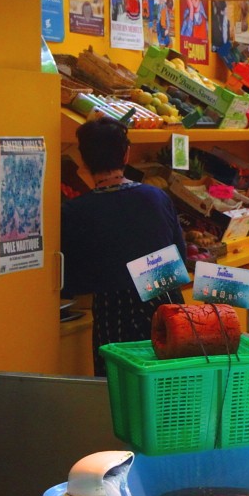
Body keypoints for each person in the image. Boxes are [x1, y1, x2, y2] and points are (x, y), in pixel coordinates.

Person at [61, 118, 188, 376]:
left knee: (120, 392)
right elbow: (180, 256)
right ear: (126, 153)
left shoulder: (76, 211)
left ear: (83, 161)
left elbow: (71, 282)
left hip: (113, 313)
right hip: (165, 305)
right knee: (170, 388)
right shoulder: (155, 197)